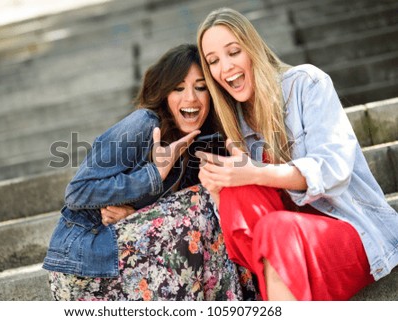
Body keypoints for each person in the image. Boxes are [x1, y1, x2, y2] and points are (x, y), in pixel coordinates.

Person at [195, 7, 398, 301]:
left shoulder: (306, 83)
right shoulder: (233, 125)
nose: (225, 68)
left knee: (275, 227)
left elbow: (334, 168)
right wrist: (218, 190)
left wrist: (256, 173)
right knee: (237, 193)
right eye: (213, 61)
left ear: (252, 48)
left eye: (233, 52)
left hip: (348, 234)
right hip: (284, 251)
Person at [42, 43, 258, 301]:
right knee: (201, 201)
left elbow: (166, 218)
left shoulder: (205, 142)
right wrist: (154, 174)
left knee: (216, 201)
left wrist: (135, 215)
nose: (190, 98)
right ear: (165, 94)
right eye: (178, 88)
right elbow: (77, 192)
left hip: (131, 253)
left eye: (201, 87)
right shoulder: (145, 123)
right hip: (86, 262)